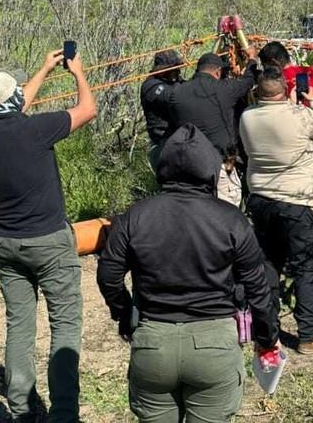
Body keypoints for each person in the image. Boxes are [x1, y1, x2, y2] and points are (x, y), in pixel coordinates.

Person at [97, 124, 281, 423]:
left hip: (153, 342)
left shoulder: (134, 216)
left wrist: (124, 315)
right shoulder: (232, 220)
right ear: (211, 171)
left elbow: (108, 275)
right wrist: (267, 336)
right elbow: (259, 288)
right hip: (215, 346)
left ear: (161, 168)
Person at [0, 49, 97, 423]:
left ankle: (21, 408)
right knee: (65, 324)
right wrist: (78, 74)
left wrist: (44, 69)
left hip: (4, 244)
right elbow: (87, 110)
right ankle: (64, 413)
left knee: (19, 324)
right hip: (50, 243)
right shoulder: (35, 130)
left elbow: (13, 107)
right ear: (15, 101)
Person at [238, 68, 313, 353]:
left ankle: (266, 333)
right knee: (305, 268)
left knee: (269, 265)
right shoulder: (298, 115)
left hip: (262, 200)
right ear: (286, 89)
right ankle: (309, 334)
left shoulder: (247, 117)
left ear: (257, 92)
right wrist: (311, 100)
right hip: (300, 200)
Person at [257, 41, 313, 208]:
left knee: (308, 194)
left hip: (298, 144)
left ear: (274, 63)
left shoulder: (276, 83)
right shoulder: (311, 72)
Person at [165, 51, 259, 207]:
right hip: (221, 164)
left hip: (189, 167)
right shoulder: (224, 89)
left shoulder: (176, 94)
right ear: (217, 72)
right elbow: (249, 80)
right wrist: (251, 60)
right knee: (226, 215)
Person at [140, 49, 184, 174]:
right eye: (174, 69)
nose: (178, 72)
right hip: (162, 146)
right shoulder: (150, 86)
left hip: (179, 143)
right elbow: (174, 97)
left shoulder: (176, 82)